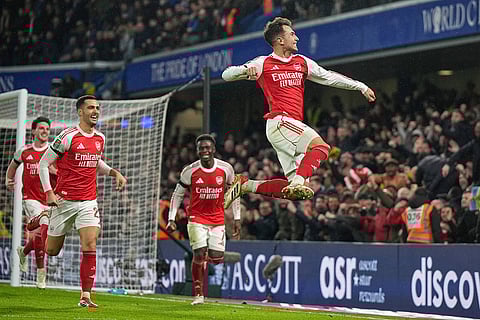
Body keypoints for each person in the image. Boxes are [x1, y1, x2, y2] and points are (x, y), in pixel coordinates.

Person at [222, 17, 376, 208]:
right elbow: (225, 74)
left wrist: (360, 86)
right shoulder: (263, 63)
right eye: (292, 34)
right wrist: (244, 71)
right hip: (279, 122)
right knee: (322, 148)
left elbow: (329, 77)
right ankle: (297, 181)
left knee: (295, 193)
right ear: (279, 40)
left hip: (291, 128)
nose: (297, 38)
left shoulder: (302, 62)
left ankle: (246, 185)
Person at [38, 95, 127, 308]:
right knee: (51, 250)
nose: (95, 111)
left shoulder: (100, 138)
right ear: (80, 112)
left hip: (88, 201)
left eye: (97, 107)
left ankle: (85, 296)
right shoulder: (67, 136)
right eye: (90, 108)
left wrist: (114, 172)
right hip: (63, 201)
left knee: (90, 244)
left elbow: (95, 161)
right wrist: (49, 193)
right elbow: (43, 164)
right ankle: (41, 220)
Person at [166, 134, 241, 305]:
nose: (205, 151)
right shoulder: (190, 171)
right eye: (201, 148)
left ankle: (206, 253)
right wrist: (171, 218)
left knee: (216, 258)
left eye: (208, 148)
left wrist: (237, 218)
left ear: (214, 149)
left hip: (217, 220)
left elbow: (235, 193)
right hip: (196, 218)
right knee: (199, 253)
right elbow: (177, 194)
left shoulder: (226, 169)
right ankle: (198, 294)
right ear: (198, 151)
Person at [5, 116, 55, 289]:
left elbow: (60, 173)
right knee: (43, 225)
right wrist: (7, 179)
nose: (45, 131)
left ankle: (23, 251)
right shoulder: (24, 151)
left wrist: (52, 169)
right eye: (41, 128)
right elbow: (13, 165)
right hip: (30, 198)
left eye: (47, 129)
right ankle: (41, 274)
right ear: (33, 131)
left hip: (50, 199)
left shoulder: (54, 151)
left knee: (44, 236)